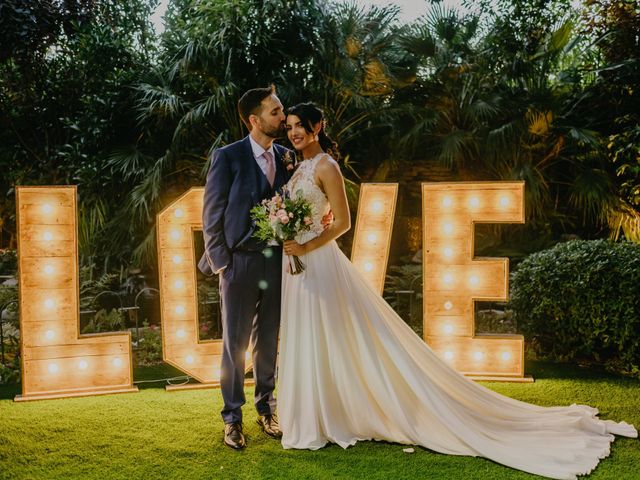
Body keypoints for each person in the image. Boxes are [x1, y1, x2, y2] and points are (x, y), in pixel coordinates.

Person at [277, 102, 637, 480]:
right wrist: (286, 232)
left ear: (317, 126)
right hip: (296, 265)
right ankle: (318, 411)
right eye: (289, 127)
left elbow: (345, 222)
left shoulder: (326, 167)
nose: (294, 132)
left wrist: (306, 244)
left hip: (317, 259)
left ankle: (335, 412)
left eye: (301, 125)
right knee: (312, 334)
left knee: (335, 332)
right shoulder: (299, 166)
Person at [199, 85, 290, 449]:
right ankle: (232, 418)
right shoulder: (228, 156)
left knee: (268, 339)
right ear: (255, 119)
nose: (283, 118)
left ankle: (267, 409)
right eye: (276, 112)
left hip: (276, 263)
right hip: (238, 264)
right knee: (234, 343)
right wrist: (223, 263)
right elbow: (211, 215)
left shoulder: (287, 157)